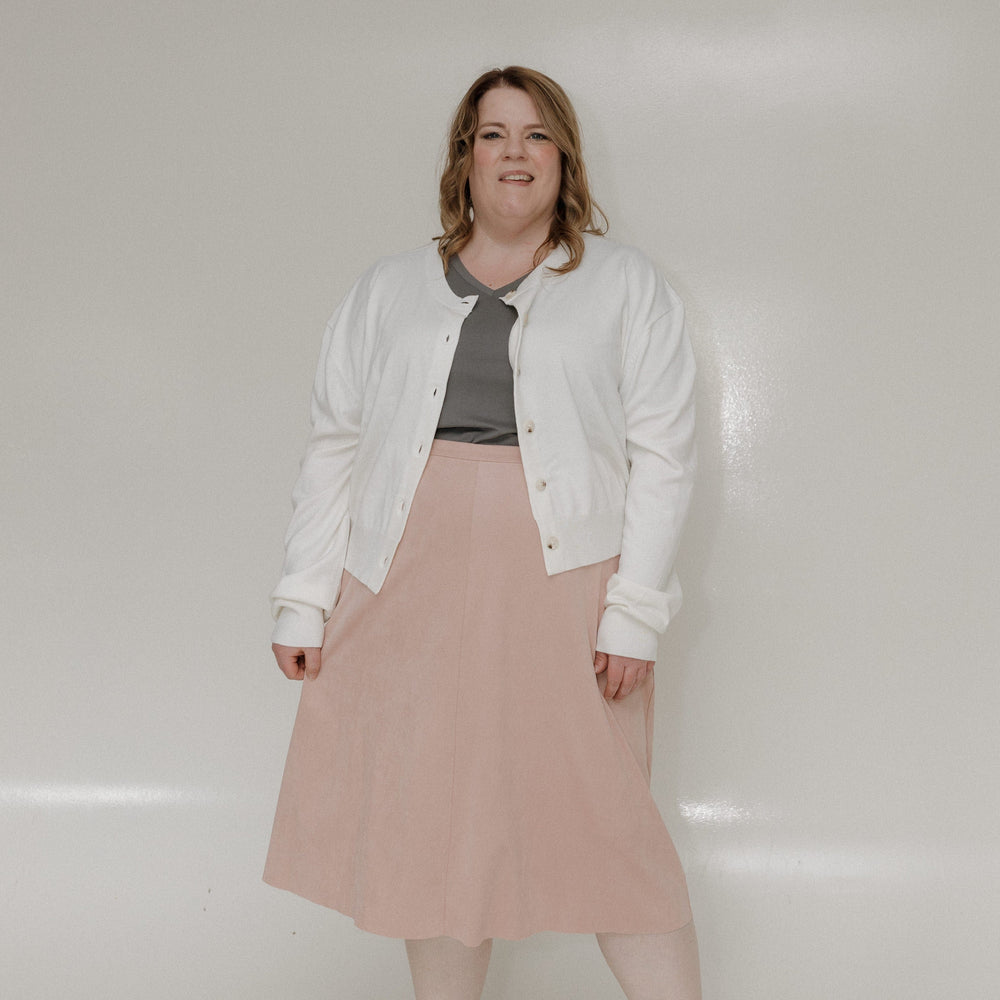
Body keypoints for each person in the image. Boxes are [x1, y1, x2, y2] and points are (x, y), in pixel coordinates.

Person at [264, 66, 702, 1000]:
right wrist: (304, 598)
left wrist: (632, 618)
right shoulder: (386, 290)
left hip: (563, 588)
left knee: (606, 824)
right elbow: (334, 447)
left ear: (564, 159)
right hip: (405, 584)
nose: (515, 153)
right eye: (493, 134)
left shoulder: (627, 288)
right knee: (430, 826)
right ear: (464, 157)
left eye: (537, 135)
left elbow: (664, 457)